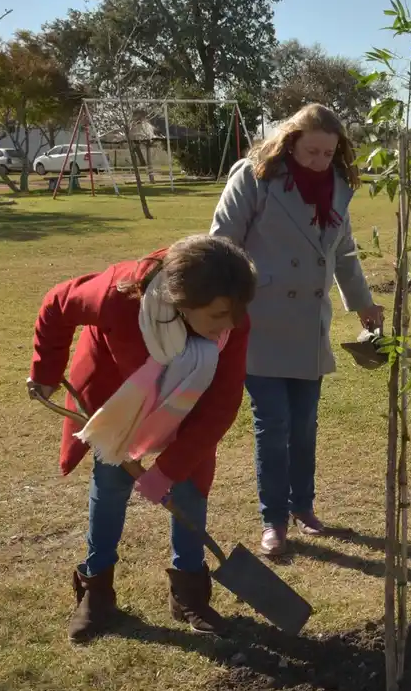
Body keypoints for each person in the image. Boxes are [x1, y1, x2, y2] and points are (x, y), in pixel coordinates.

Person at [27, 234, 257, 643]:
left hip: (190, 403)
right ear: (181, 300)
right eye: (221, 313)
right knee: (111, 482)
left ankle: (189, 592)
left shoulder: (232, 318)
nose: (232, 323)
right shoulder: (119, 295)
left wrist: (166, 471)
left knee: (188, 486)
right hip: (122, 396)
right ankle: (96, 590)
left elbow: (220, 405)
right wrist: (46, 372)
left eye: (237, 312)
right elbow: (57, 304)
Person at [210, 103, 385, 557]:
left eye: (329, 153)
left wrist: (363, 304)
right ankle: (274, 520)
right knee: (274, 424)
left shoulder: (340, 187)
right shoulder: (253, 177)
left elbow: (343, 253)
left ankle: (302, 506)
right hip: (260, 320)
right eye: (311, 151)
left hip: (310, 324)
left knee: (304, 425)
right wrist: (223, 306)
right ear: (289, 142)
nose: (320, 161)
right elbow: (221, 243)